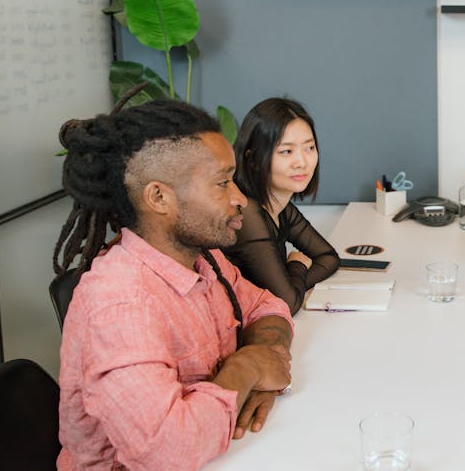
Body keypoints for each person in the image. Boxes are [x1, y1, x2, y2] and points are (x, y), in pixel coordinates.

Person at [52, 97, 295, 470]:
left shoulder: (203, 259)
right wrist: (247, 369)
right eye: (222, 183)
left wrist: (267, 353)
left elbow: (268, 307)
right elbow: (167, 451)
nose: (239, 199)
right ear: (159, 197)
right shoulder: (119, 303)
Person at [224, 97, 339, 314]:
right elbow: (288, 303)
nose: (302, 162)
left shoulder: (281, 206)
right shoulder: (246, 215)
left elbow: (329, 257)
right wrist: (297, 266)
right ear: (253, 159)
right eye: (286, 151)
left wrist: (291, 280)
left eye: (309, 148)